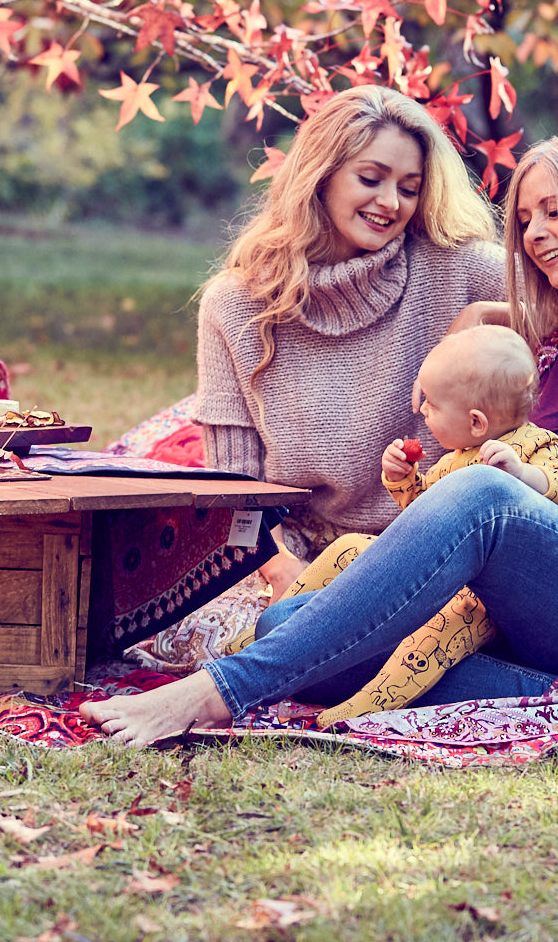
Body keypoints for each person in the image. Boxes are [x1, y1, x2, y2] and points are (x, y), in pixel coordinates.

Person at [83, 130, 558, 748]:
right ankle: (552, 697)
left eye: (556, 212)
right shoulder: (551, 346)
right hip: (526, 620)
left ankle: (216, 693)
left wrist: (517, 484)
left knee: (481, 492)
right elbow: (492, 314)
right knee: (286, 630)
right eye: (525, 221)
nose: (538, 235)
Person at [193, 85, 505, 597]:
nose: (390, 203)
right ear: (321, 175)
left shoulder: (458, 269)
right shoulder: (236, 304)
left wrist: (481, 311)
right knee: (222, 633)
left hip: (433, 549)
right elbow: (235, 489)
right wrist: (280, 570)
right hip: (295, 552)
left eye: (409, 187)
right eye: (370, 178)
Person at [248, 324, 558, 728]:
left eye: (432, 404)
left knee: (435, 633)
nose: (421, 410)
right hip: (444, 577)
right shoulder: (453, 459)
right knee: (350, 546)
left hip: (488, 600)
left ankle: (366, 706)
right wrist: (403, 478)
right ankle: (270, 631)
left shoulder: (539, 445)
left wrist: (522, 476)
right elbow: (427, 524)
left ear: (477, 422)